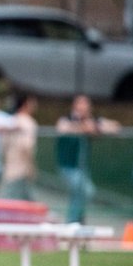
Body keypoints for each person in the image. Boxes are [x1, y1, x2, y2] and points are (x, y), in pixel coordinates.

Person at [55, 94, 120, 224]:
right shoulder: (66, 119)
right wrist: (85, 128)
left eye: (86, 104)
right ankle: (73, 220)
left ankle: (77, 221)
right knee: (85, 191)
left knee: (79, 193)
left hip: (82, 166)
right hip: (68, 165)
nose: (84, 107)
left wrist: (96, 127)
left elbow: (115, 127)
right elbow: (62, 128)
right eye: (81, 103)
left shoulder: (92, 120)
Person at [0, 94, 39, 201]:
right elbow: (27, 147)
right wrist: (31, 166)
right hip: (22, 170)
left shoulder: (10, 121)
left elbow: (3, 146)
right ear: (26, 104)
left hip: (10, 168)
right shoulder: (29, 123)